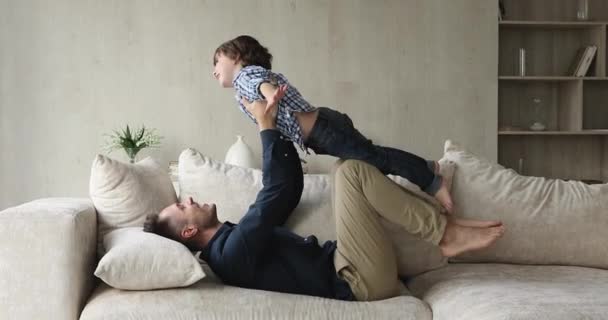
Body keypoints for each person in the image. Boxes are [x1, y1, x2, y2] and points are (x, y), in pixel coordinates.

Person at [144, 96, 505, 301]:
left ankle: (443, 228)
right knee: (351, 171)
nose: (187, 198)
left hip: (353, 264)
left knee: (347, 167)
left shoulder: (232, 240)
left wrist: (279, 122)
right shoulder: (230, 254)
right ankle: (444, 234)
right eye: (181, 206)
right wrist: (263, 127)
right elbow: (275, 194)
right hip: (357, 280)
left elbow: (286, 189)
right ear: (189, 232)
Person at [211, 35, 454, 213]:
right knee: (376, 156)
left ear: (237, 57)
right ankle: (428, 166)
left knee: (377, 159)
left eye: (217, 61)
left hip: (325, 130)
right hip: (323, 130)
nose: (214, 71)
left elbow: (260, 83)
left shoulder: (245, 75)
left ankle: (432, 181)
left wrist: (271, 95)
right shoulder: (244, 85)